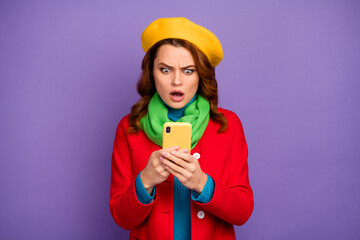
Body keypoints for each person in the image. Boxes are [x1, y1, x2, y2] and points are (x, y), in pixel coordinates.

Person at [109, 17, 254, 240]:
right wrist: (145, 180)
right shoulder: (129, 128)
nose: (177, 81)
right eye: (165, 70)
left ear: (201, 75)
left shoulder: (228, 125)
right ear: (151, 73)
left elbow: (242, 212)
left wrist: (201, 183)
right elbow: (122, 218)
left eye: (188, 71)